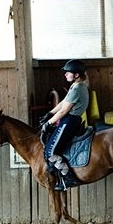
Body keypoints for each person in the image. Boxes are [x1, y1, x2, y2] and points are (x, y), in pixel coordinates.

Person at [40, 59, 91, 191]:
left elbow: (64, 110)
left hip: (69, 121)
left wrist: (48, 124)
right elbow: (63, 102)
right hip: (71, 120)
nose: (65, 75)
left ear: (76, 75)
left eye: (68, 73)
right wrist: (50, 113)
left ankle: (68, 178)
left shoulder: (77, 88)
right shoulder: (77, 86)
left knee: (50, 151)